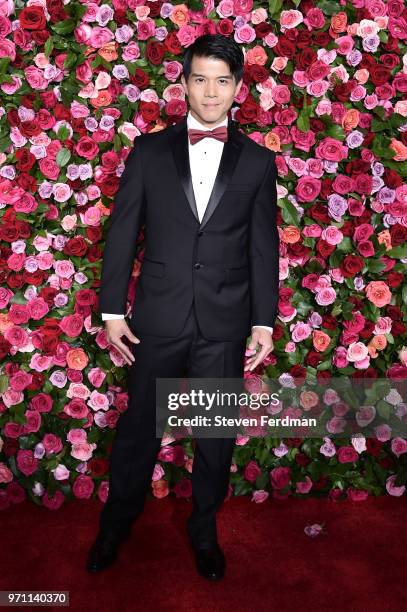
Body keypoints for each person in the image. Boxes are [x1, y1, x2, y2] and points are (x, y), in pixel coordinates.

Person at [86, 33, 280, 580]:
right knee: (138, 432)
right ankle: (114, 527)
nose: (211, 92)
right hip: (157, 320)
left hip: (224, 324)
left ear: (238, 88)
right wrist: (111, 311)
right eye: (200, 79)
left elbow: (263, 246)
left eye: (222, 81)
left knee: (214, 438)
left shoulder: (260, 162)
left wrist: (264, 320)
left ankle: (204, 530)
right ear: (184, 83)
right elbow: (123, 234)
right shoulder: (148, 152)